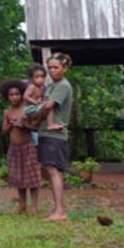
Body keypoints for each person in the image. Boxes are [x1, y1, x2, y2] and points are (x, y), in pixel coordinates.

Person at [30, 52, 75, 221]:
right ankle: (57, 209)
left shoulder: (63, 86)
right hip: (46, 132)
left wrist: (36, 118)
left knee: (54, 170)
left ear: (65, 68)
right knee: (50, 169)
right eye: (50, 68)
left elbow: (48, 106)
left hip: (55, 134)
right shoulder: (52, 86)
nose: (52, 71)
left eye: (56, 67)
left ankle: (59, 211)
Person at [0, 79, 41, 214]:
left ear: (21, 94)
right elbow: (3, 131)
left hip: (27, 147)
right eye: (11, 95)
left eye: (17, 94)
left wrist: (24, 125)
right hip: (14, 148)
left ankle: (34, 205)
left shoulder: (26, 110)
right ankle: (22, 204)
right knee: (18, 177)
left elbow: (35, 127)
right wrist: (11, 124)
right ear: (7, 97)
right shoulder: (7, 112)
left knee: (32, 178)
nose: (14, 97)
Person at [22, 63, 61, 145]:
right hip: (29, 108)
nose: (40, 79)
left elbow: (39, 97)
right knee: (49, 107)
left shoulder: (42, 88)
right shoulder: (32, 86)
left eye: (42, 77)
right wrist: (35, 102)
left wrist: (39, 100)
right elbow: (25, 97)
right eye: (37, 77)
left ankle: (35, 138)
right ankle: (50, 124)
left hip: (34, 108)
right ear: (31, 79)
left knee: (46, 107)